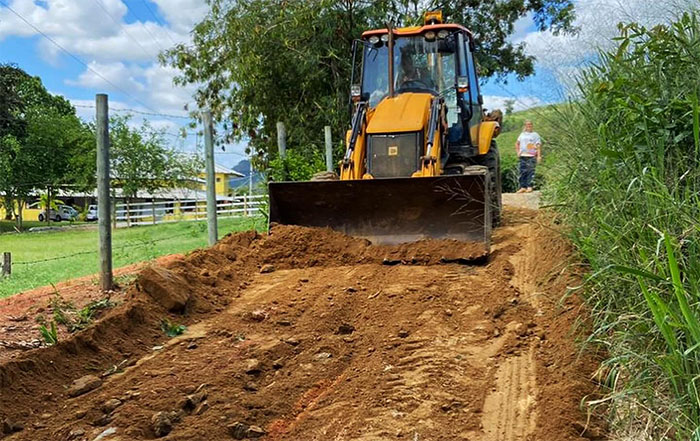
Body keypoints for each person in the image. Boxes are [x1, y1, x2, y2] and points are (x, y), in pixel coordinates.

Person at [515, 120, 542, 193]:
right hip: (523, 155)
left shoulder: (535, 135)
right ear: (525, 126)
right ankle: (523, 187)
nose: (529, 126)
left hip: (531, 155)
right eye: (527, 125)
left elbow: (538, 145)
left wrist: (539, 156)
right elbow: (517, 143)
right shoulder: (522, 134)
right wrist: (518, 152)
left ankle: (529, 186)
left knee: (530, 171)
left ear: (532, 125)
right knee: (522, 171)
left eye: (530, 124)